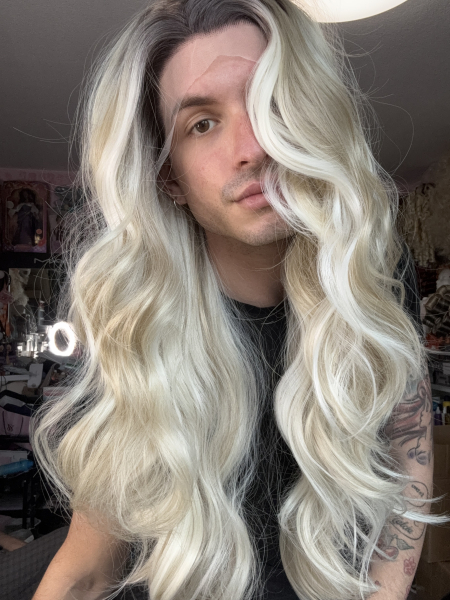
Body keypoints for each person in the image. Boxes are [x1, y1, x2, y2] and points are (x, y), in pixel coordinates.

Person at [29, 1, 448, 599]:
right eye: (202, 124)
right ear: (169, 178)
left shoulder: (371, 271)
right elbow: (89, 567)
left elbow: (408, 454)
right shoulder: (135, 323)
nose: (252, 146)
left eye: (269, 103)